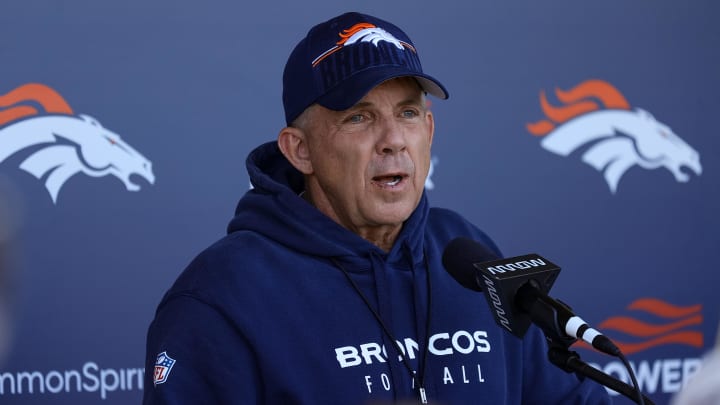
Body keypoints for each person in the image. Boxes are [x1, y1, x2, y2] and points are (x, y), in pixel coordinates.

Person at [143, 11, 612, 404]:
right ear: (299, 150)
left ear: (429, 131)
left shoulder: (467, 254)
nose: (393, 141)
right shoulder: (223, 295)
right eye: (359, 117)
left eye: (407, 114)